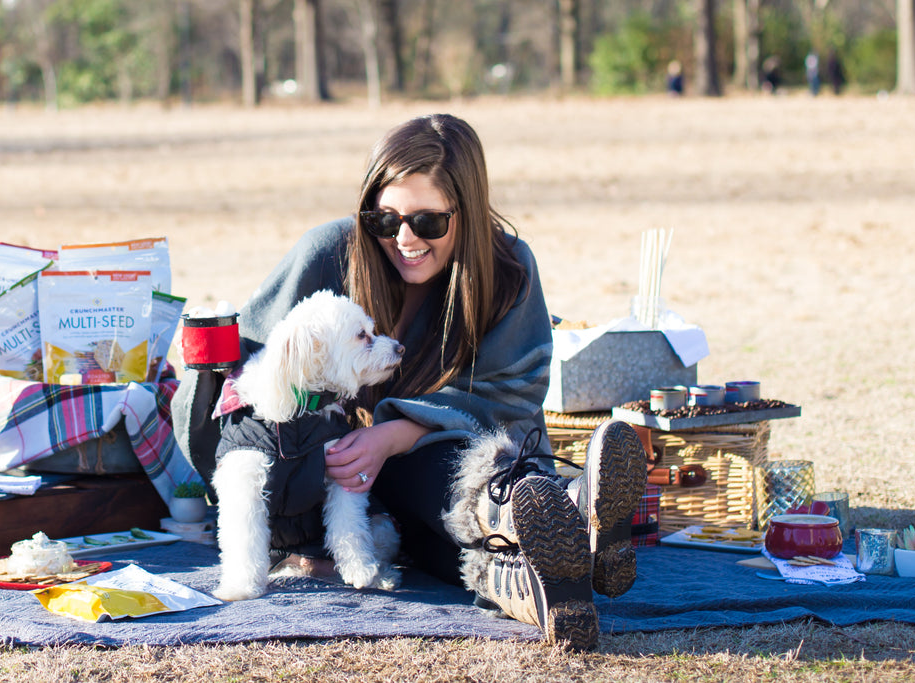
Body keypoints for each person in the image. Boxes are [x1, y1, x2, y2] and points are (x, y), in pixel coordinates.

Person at [172, 114, 646, 650]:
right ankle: (561, 561)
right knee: (431, 541)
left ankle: (541, 512)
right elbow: (247, 375)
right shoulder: (328, 252)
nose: (403, 239)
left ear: (465, 211)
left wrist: (395, 434)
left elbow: (512, 391)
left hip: (453, 456)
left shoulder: (508, 267)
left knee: (446, 475)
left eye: (428, 222)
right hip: (340, 475)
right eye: (385, 219)